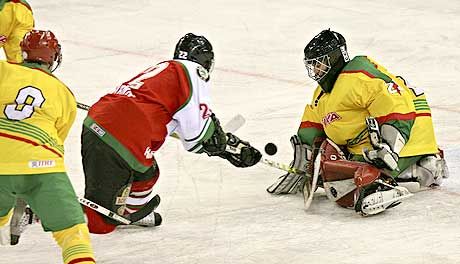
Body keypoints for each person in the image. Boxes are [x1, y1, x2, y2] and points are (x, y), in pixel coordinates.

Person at [81, 33, 262, 234]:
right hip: (124, 134)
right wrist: (225, 146)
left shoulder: (165, 70)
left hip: (95, 123)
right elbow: (197, 135)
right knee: (103, 220)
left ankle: (112, 209)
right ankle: (117, 212)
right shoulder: (192, 71)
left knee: (133, 178)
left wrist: (224, 145)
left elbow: (181, 123)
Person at [267, 29, 448, 216]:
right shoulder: (323, 93)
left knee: (342, 181)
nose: (315, 70)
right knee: (332, 172)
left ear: (335, 58)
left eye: (320, 63)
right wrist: (302, 163)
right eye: (312, 65)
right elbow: (312, 126)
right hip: (376, 146)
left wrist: (389, 147)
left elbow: (398, 107)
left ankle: (404, 175)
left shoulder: (359, 76)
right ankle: (416, 169)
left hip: (409, 138)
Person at [0, 30, 96, 263]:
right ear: (53, 58)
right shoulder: (65, 94)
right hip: (44, 166)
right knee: (73, 234)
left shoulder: (4, 71)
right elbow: (58, 139)